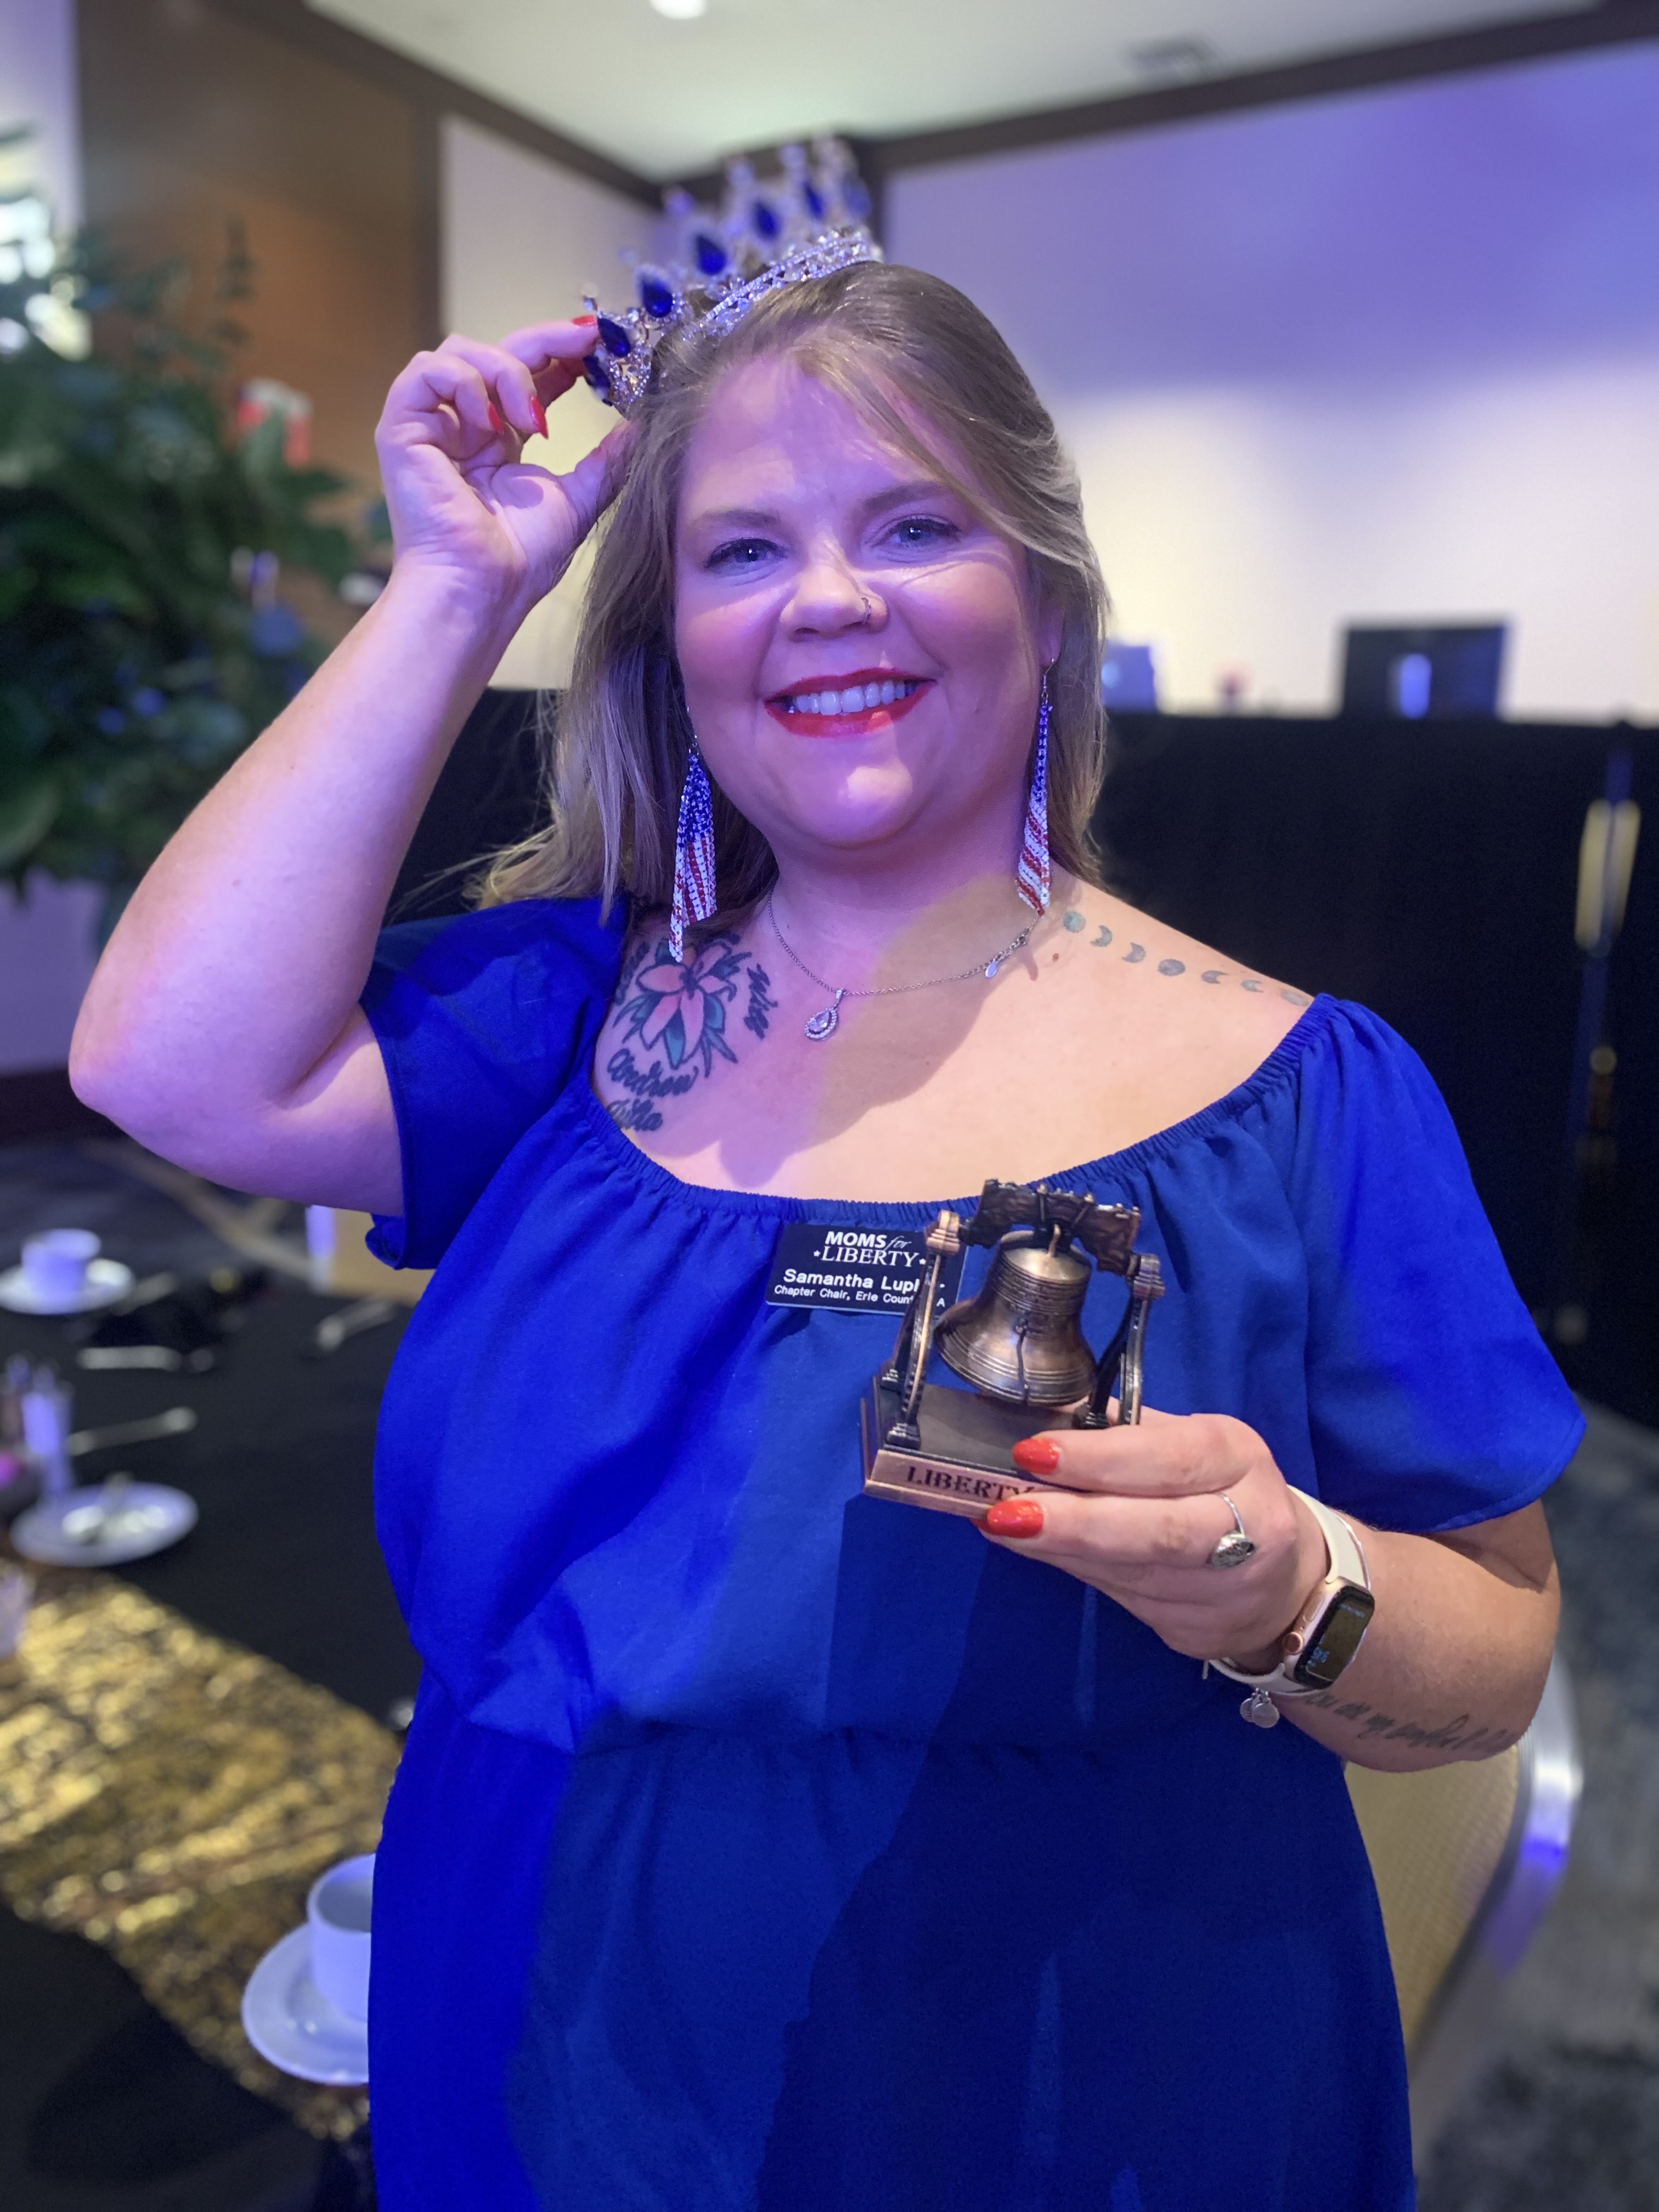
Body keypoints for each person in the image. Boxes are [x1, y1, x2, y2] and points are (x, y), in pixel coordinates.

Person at [71, 260, 1579, 2211]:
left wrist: (1291, 1581)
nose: (830, 598)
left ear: (1048, 596)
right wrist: (456, 587)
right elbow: (163, 1067)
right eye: (743, 549)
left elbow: (1497, 1659)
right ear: (673, 644)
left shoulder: (1300, 1093)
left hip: (1088, 2081)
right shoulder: (571, 1016)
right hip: (551, 2040)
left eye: (914, 526)